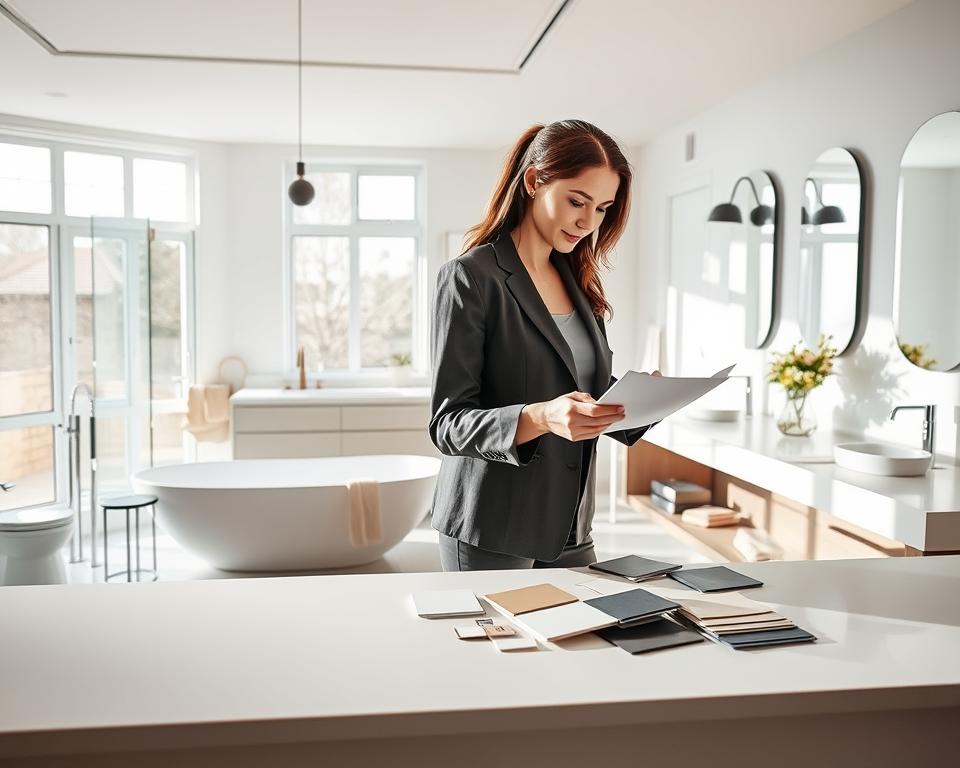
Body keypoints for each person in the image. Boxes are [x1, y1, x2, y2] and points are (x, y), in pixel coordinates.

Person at [429, 119, 658, 572]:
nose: (588, 222)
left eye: (603, 209)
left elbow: (576, 387)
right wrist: (543, 416)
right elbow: (448, 425)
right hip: (493, 526)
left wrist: (641, 401)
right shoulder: (472, 278)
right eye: (578, 201)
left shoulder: (578, 281)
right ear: (534, 181)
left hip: (571, 527)